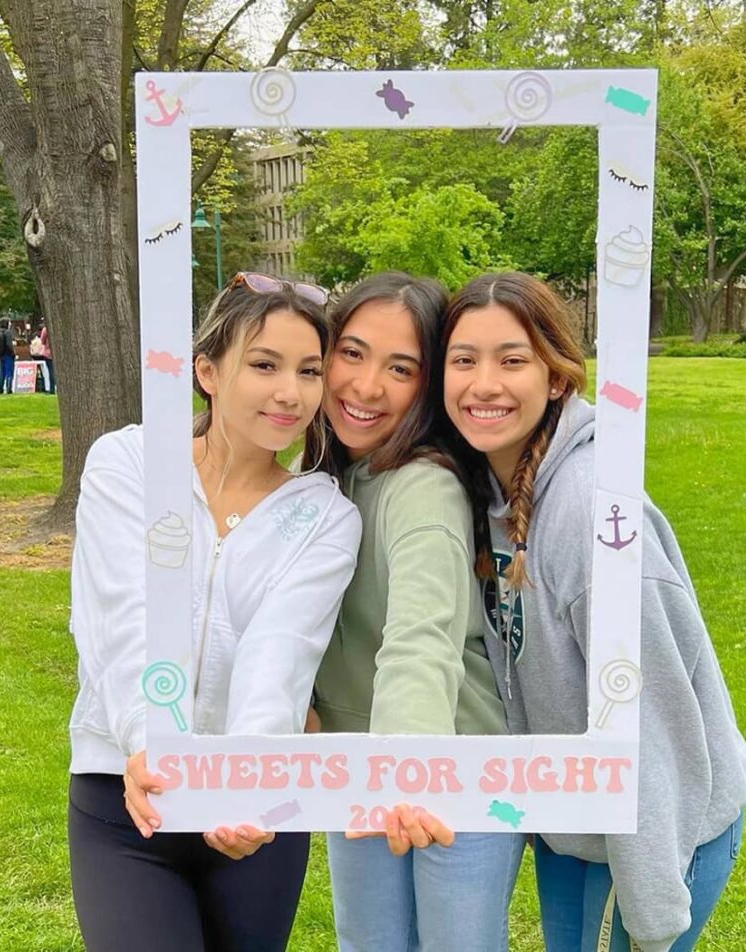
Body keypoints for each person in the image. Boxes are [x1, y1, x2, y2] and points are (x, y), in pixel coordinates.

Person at [440, 272, 746, 952]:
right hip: (578, 824)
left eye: (511, 359)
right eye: (463, 360)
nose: (483, 383)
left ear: (556, 378)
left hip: (654, 831)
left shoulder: (593, 518)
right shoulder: (486, 492)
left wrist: (650, 913)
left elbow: (654, 723)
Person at [67, 272, 362, 952]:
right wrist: (149, 743)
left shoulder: (325, 516)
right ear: (207, 369)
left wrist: (247, 784)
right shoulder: (127, 465)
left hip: (255, 814)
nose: (290, 393)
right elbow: (121, 618)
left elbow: (281, 652)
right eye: (264, 365)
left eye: (309, 371)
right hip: (126, 793)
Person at [307, 272, 525, 952]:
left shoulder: (422, 488)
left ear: (426, 386)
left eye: (399, 368)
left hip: (447, 768)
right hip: (365, 764)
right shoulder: (334, 474)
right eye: (353, 352)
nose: (366, 386)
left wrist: (406, 770)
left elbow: (419, 640)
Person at [0, 319, 16, 394]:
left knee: (2, 372)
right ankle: (9, 388)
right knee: (9, 372)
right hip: (8, 354)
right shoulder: (7, 332)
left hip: (1, 354)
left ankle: (0, 388)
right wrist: (12, 353)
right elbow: (9, 345)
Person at [40, 322, 56, 394]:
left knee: (51, 371)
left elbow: (42, 341)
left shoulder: (45, 329)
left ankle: (52, 389)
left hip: (48, 353)